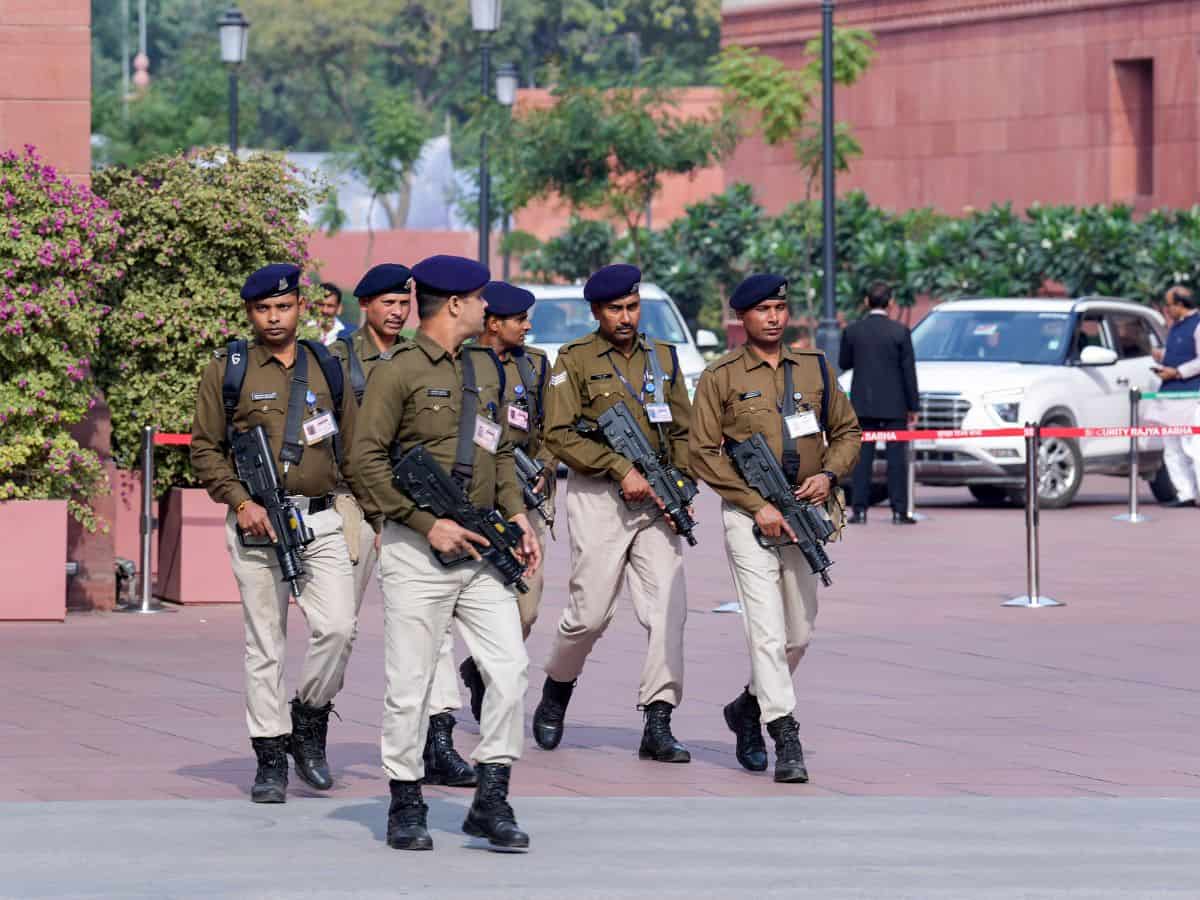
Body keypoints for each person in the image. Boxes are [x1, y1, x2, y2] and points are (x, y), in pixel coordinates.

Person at [351, 254, 541, 852]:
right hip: (418, 552)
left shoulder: (485, 368)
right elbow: (364, 461)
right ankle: (405, 802)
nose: (489, 308)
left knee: (508, 670)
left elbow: (502, 450)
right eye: (481, 298)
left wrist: (517, 512)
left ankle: (491, 798)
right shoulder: (397, 369)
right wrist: (423, 523)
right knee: (409, 682)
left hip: (483, 549)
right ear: (455, 304)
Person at [190, 263, 362, 804]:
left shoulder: (328, 365)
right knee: (265, 643)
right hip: (257, 521)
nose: (273, 317)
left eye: (282, 307)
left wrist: (377, 515)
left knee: (339, 628)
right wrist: (240, 501)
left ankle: (308, 719)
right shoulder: (230, 369)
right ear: (249, 313)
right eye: (263, 309)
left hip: (321, 518)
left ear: (299, 308)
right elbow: (204, 449)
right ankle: (269, 755)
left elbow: (355, 448)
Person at [690, 273, 861, 783]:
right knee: (764, 631)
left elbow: (848, 430)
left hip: (805, 513)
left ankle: (747, 707)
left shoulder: (816, 368)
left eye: (779, 308)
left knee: (800, 633)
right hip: (749, 516)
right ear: (741, 318)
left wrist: (829, 474)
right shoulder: (720, 376)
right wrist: (751, 502)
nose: (773, 317)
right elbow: (701, 452)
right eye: (762, 309)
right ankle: (785, 733)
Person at [532, 263, 693, 764]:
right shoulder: (574, 359)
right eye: (615, 309)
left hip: (656, 501)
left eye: (632, 306)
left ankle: (658, 719)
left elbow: (685, 431)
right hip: (600, 496)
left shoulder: (663, 357)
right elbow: (557, 433)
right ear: (596, 311)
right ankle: (557, 688)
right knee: (589, 615)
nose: (626, 317)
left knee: (669, 606)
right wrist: (616, 466)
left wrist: (682, 485)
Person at [330, 263, 475, 788]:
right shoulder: (340, 360)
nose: (397, 312)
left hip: (415, 510)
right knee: (338, 627)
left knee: (433, 631)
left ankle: (438, 741)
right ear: (364, 305)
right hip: (355, 502)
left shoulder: (432, 358)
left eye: (403, 303)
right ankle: (314, 716)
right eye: (386, 303)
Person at [458, 281, 554, 720]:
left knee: (527, 608)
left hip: (522, 503)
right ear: (493, 323)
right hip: (475, 504)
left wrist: (546, 469)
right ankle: (494, 684)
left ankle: (480, 670)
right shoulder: (461, 363)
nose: (527, 326)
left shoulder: (534, 365)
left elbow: (552, 431)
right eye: (519, 319)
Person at [838, 281, 919, 525]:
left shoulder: (853, 331)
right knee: (897, 460)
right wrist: (912, 406)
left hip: (863, 404)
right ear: (890, 303)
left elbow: (844, 362)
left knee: (862, 459)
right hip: (895, 405)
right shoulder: (900, 331)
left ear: (866, 302)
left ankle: (859, 510)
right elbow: (908, 372)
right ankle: (899, 511)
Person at [1152, 285, 1200, 507]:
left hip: (1191, 394)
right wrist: (1163, 359)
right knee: (1171, 448)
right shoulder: (1175, 327)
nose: (1166, 309)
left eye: (1169, 305)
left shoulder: (1197, 325)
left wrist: (1178, 371)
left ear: (1180, 305)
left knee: (1193, 447)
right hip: (1170, 393)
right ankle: (1185, 493)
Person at [317, 281, 351, 345]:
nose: (325, 310)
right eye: (320, 304)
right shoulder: (301, 331)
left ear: (339, 308)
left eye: (330, 306)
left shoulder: (348, 336)